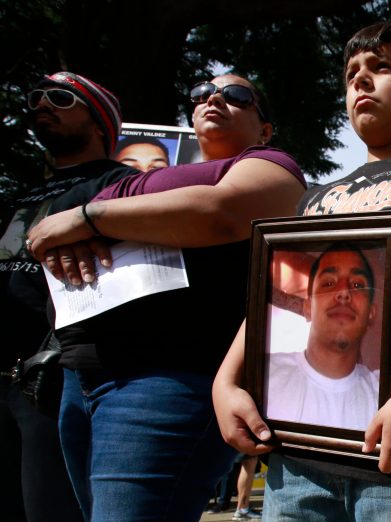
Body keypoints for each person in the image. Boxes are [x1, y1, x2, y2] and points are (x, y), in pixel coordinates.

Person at [212, 21, 391, 521]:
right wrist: (225, 382)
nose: (361, 81)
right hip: (297, 461)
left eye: (381, 67)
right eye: (351, 75)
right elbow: (268, 301)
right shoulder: (315, 199)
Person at [27, 74, 306, 521]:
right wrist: (80, 229)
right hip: (80, 379)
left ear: (265, 129)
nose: (214, 99)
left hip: (165, 379)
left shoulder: (269, 164)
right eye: (201, 94)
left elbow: (222, 213)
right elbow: (48, 236)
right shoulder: (132, 181)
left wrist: (89, 219)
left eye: (236, 96)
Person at [1, 71, 134, 522]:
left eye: (59, 99)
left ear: (100, 122)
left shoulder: (119, 185)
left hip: (54, 380)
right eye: (35, 97)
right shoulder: (19, 194)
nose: (41, 105)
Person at [265, 245, 380, 431]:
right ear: (308, 307)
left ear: (371, 314)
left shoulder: (386, 399)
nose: (344, 292)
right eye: (328, 283)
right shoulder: (265, 377)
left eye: (357, 285)